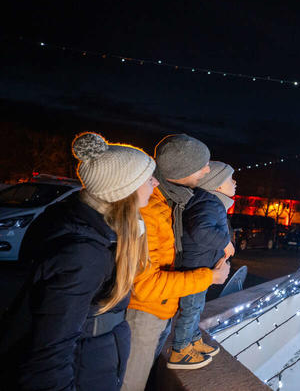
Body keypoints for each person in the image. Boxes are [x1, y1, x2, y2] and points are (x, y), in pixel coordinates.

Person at [1, 132, 157, 390]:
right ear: (123, 189)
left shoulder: (99, 232)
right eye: (147, 177)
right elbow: (48, 356)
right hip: (84, 371)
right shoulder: (84, 253)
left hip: (94, 362)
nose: (155, 183)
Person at [121, 135, 230, 390]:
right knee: (130, 383)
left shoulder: (175, 199)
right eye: (201, 165)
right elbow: (145, 284)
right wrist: (209, 277)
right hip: (145, 313)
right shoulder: (149, 207)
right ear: (181, 170)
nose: (207, 169)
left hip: (160, 308)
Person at [169, 161, 236, 368]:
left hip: (202, 266)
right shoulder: (209, 202)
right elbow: (201, 230)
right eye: (229, 179)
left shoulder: (213, 202)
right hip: (195, 266)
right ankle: (180, 350)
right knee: (191, 308)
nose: (234, 182)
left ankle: (193, 339)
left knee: (196, 307)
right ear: (217, 185)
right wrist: (224, 242)